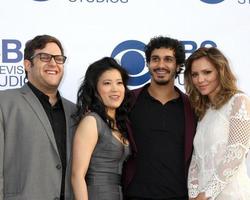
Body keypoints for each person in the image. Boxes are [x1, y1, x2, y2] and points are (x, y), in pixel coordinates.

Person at [0, 35, 75, 200]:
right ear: (28, 64)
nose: (53, 63)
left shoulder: (74, 111)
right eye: (45, 57)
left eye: (58, 58)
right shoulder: (4, 103)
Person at [123, 36, 197, 200]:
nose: (161, 65)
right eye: (155, 59)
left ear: (178, 66)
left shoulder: (192, 107)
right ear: (148, 64)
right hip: (134, 195)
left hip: (180, 195)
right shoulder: (128, 101)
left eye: (168, 59)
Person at [184, 47, 250, 200]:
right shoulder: (203, 111)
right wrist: (194, 194)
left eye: (207, 72)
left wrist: (206, 194)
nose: (200, 80)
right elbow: (196, 160)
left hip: (233, 195)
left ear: (221, 71)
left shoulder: (238, 101)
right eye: (195, 74)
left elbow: (236, 153)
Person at [71, 57, 131, 200]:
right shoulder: (91, 122)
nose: (115, 89)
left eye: (119, 83)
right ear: (95, 89)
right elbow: (77, 176)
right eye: (107, 83)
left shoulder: (120, 123)